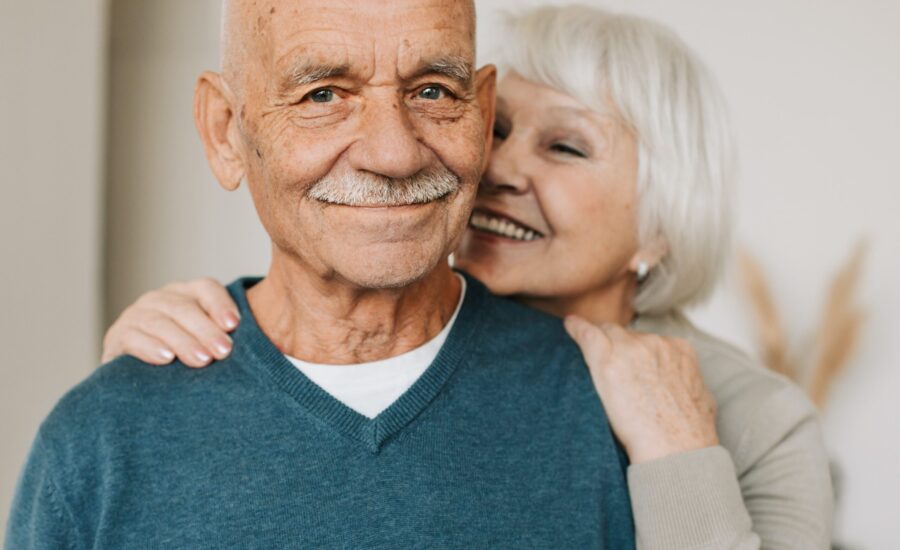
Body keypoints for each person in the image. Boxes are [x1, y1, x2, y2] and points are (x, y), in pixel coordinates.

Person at [102, 5, 835, 549]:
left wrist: (681, 456)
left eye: (568, 148)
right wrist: (172, 382)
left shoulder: (759, 419)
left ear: (662, 224)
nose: (500, 169)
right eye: (500, 130)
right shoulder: (391, 345)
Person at [5, 1, 639, 548]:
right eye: (323, 95)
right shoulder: (103, 437)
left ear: (482, 110)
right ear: (226, 131)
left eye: (432, 91)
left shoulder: (616, 413)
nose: (394, 153)